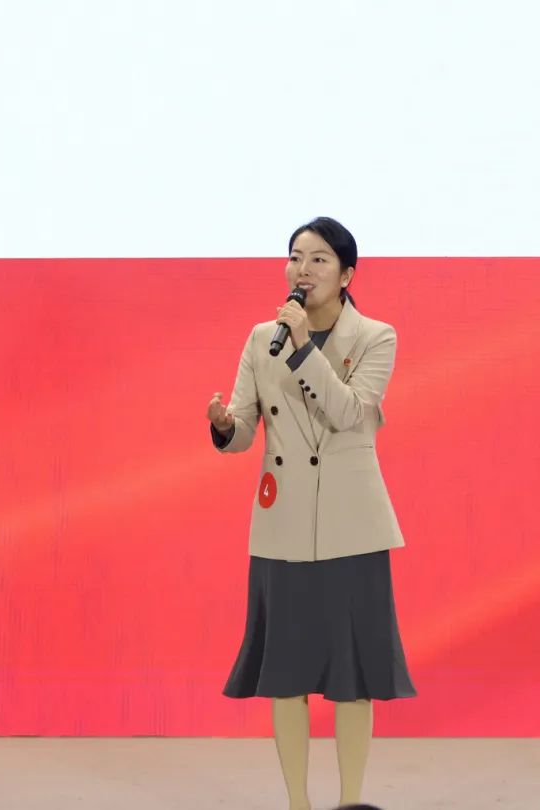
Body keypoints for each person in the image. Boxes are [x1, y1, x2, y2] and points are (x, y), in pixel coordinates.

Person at [207, 217, 416, 810]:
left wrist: (302, 347)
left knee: (353, 676)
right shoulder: (261, 338)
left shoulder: (375, 337)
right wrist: (224, 426)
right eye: (295, 257)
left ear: (347, 275)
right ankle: (297, 803)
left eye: (319, 259)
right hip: (285, 522)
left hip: (353, 524)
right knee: (287, 673)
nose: (303, 269)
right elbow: (245, 430)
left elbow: (349, 413)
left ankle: (350, 801)